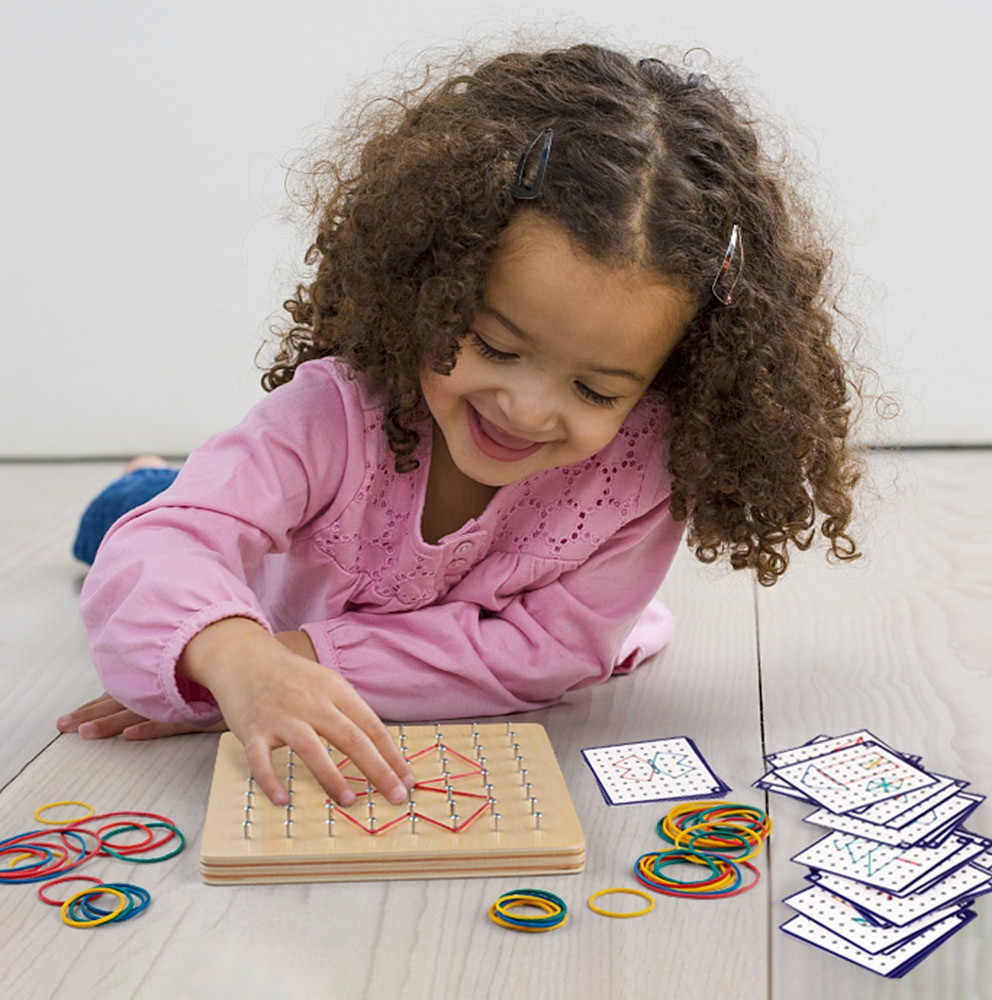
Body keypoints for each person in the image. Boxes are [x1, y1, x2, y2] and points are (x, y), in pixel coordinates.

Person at [57, 43, 866, 809]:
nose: (526, 409)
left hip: (306, 612)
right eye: (494, 346)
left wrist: (287, 662)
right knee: (132, 516)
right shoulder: (331, 414)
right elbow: (164, 550)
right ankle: (146, 477)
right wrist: (228, 653)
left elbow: (543, 653)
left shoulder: (647, 471)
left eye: (596, 388)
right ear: (432, 285)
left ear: (669, 382)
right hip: (270, 555)